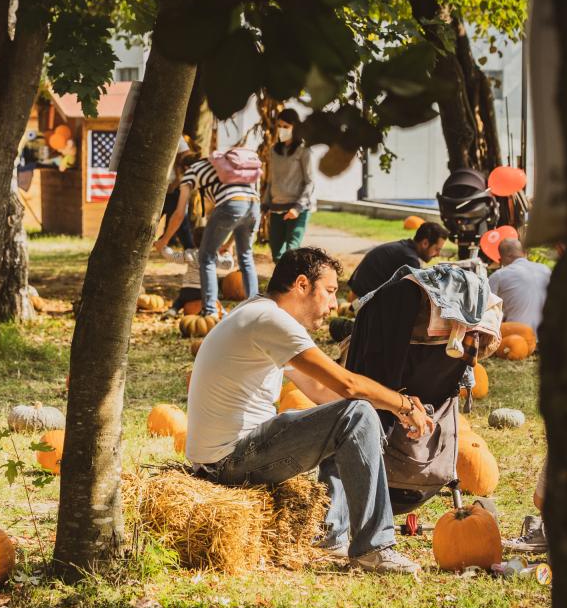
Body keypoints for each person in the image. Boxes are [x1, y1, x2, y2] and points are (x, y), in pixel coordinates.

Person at [185, 247, 435, 574]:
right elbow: (346, 385)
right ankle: (375, 548)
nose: (334, 305)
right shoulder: (270, 319)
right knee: (354, 414)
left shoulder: (258, 314)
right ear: (302, 285)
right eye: (330, 292)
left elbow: (322, 392)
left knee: (347, 415)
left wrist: (383, 407)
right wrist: (402, 404)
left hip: (224, 458)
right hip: (229, 462)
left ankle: (331, 536)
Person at [179, 151, 260, 316]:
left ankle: (210, 310)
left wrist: (163, 240)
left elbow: (180, 213)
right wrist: (228, 245)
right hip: (253, 204)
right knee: (245, 256)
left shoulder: (192, 171)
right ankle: (254, 308)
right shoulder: (223, 167)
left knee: (206, 256)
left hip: (231, 204)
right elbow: (239, 216)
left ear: (185, 167)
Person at [264, 109, 316, 263]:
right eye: (279, 126)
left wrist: (297, 208)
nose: (282, 130)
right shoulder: (274, 151)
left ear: (295, 127)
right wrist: (265, 204)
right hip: (277, 207)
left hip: (297, 209)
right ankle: (283, 285)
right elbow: (271, 180)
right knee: (276, 255)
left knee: (291, 253)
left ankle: (291, 285)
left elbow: (310, 181)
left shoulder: (304, 151)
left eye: (286, 126)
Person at [347, 221, 447, 299]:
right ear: (425, 243)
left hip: (357, 294)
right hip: (362, 302)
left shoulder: (404, 249)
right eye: (437, 249)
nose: (437, 254)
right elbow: (419, 292)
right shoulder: (409, 258)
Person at [487, 238, 551, 331]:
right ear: (524, 252)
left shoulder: (498, 276)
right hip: (547, 334)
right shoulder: (545, 270)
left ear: (507, 256)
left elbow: (488, 312)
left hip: (517, 335)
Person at [154, 137, 199, 255]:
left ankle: (192, 252)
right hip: (160, 187)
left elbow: (186, 155)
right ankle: (191, 252)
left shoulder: (175, 135)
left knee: (181, 222)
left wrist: (178, 178)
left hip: (173, 187)